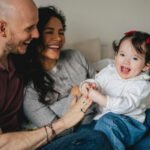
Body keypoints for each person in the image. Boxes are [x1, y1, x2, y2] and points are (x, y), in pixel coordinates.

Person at [0, 0, 113, 149]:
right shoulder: (29, 82)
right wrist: (66, 120)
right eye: (29, 28)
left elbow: (101, 83)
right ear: (2, 28)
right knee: (94, 138)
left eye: (37, 27)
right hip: (34, 142)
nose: (35, 34)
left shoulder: (16, 61)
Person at [21, 6, 96, 130]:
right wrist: (73, 97)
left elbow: (102, 87)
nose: (58, 38)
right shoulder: (30, 88)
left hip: (101, 120)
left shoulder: (76, 57)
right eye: (49, 32)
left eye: (61, 32)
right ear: (36, 36)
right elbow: (59, 132)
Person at [80, 30, 150, 150]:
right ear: (116, 55)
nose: (126, 61)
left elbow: (126, 104)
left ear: (146, 65)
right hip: (102, 119)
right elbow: (98, 82)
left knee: (108, 124)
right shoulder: (109, 71)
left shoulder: (142, 84)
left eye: (135, 58)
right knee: (84, 130)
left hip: (130, 123)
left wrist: (102, 99)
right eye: (122, 55)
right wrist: (87, 85)